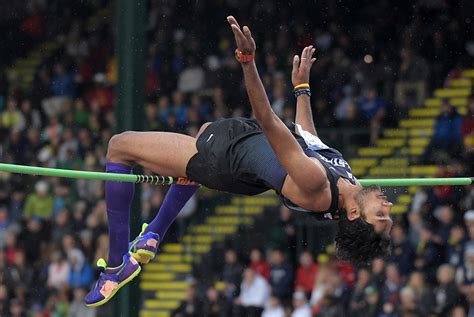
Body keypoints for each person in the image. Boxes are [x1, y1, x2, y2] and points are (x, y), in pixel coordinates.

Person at [85, 16, 394, 306]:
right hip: (243, 144)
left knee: (119, 146)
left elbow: (269, 119)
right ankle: (153, 233)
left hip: (227, 159)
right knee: (203, 132)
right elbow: (309, 140)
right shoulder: (347, 180)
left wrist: (248, 63)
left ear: (354, 213)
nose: (388, 207)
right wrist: (302, 89)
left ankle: (115, 267)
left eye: (381, 217)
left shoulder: (316, 187)